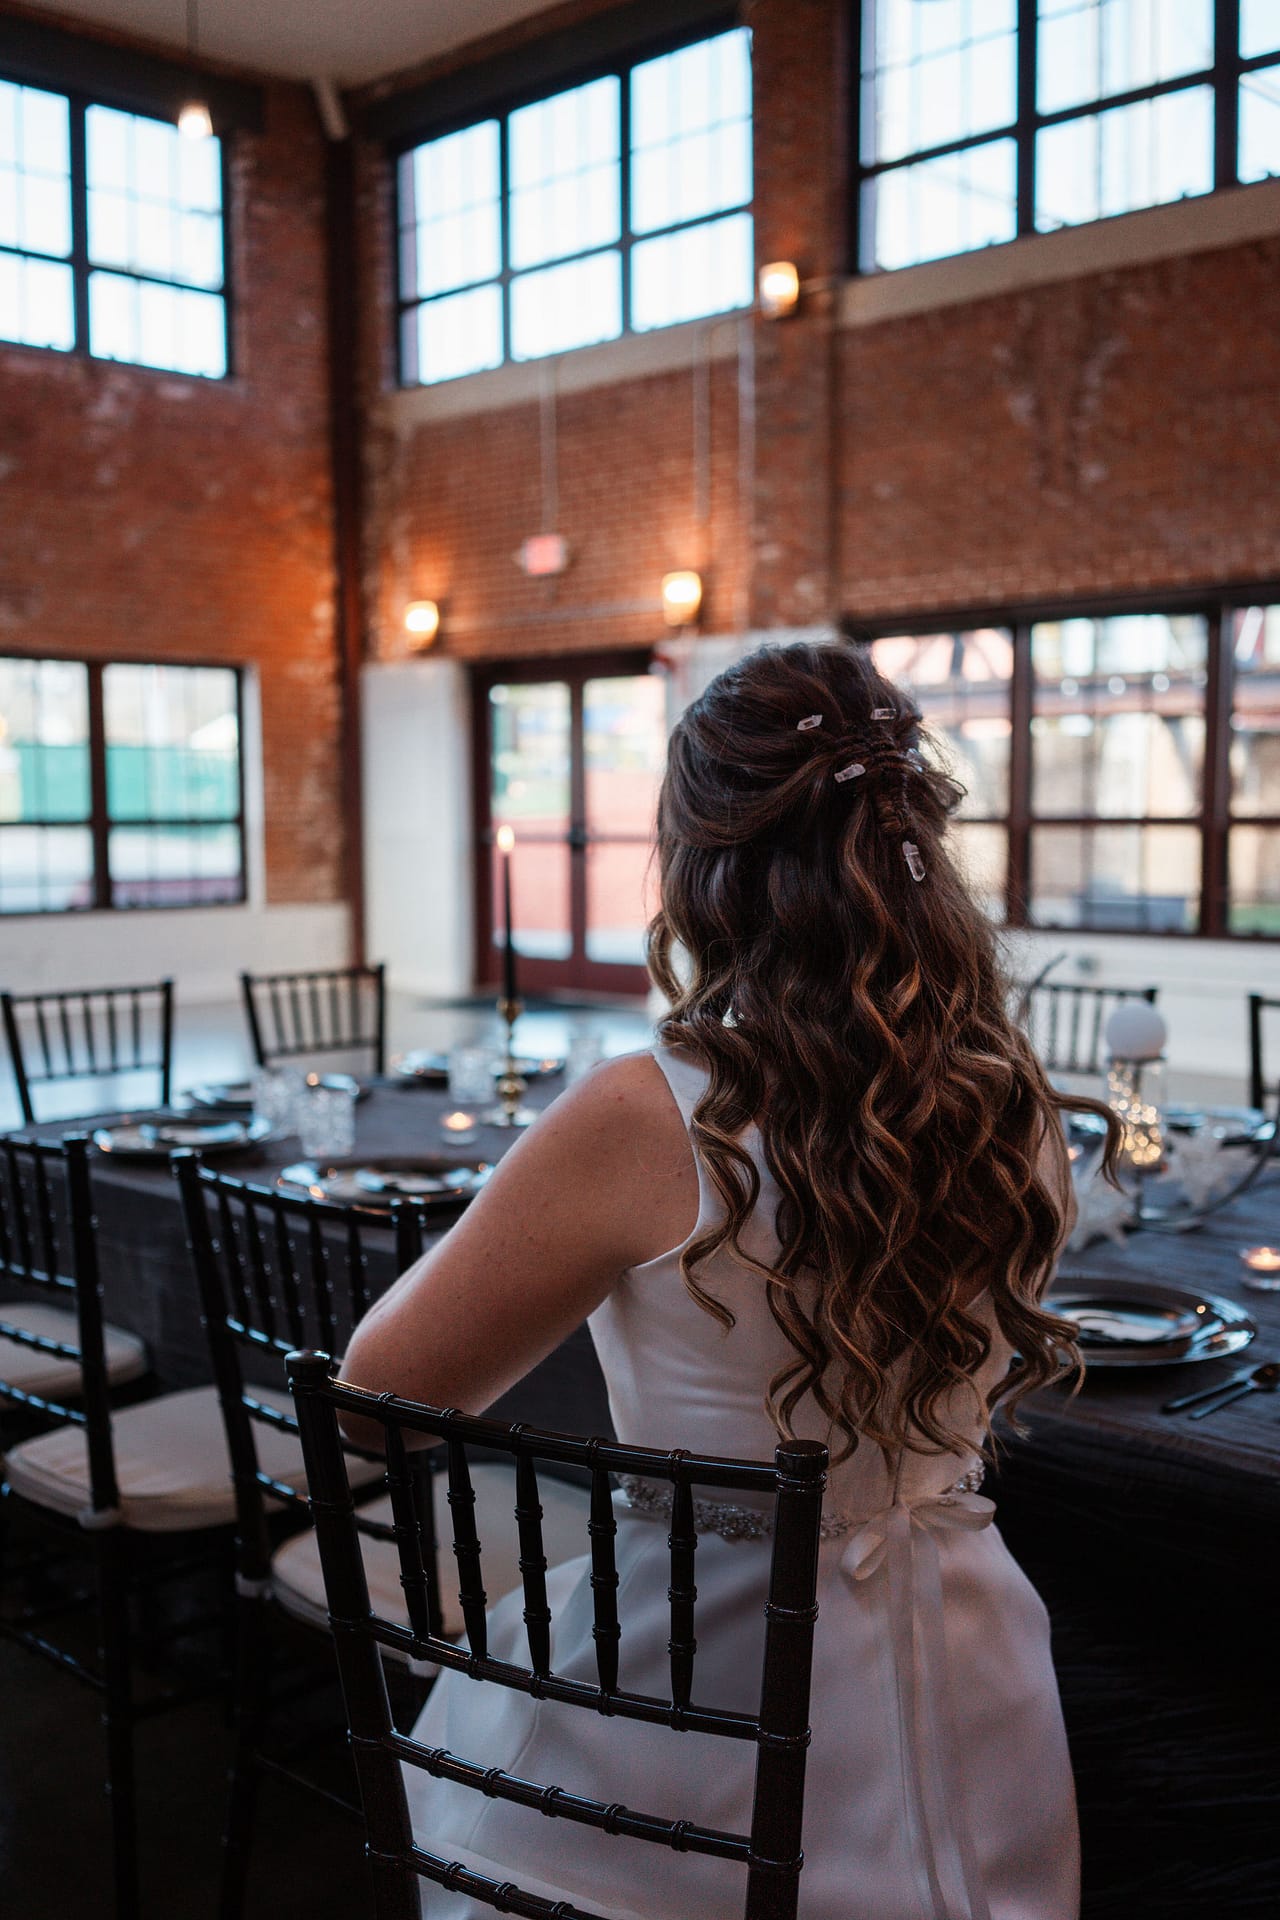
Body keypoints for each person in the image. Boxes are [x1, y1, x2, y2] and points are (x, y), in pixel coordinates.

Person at [342, 639, 1114, 1920]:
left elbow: (375, 1396)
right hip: (968, 1679)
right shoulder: (1010, 1099)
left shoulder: (647, 1115)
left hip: (689, 1699)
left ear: (703, 864)